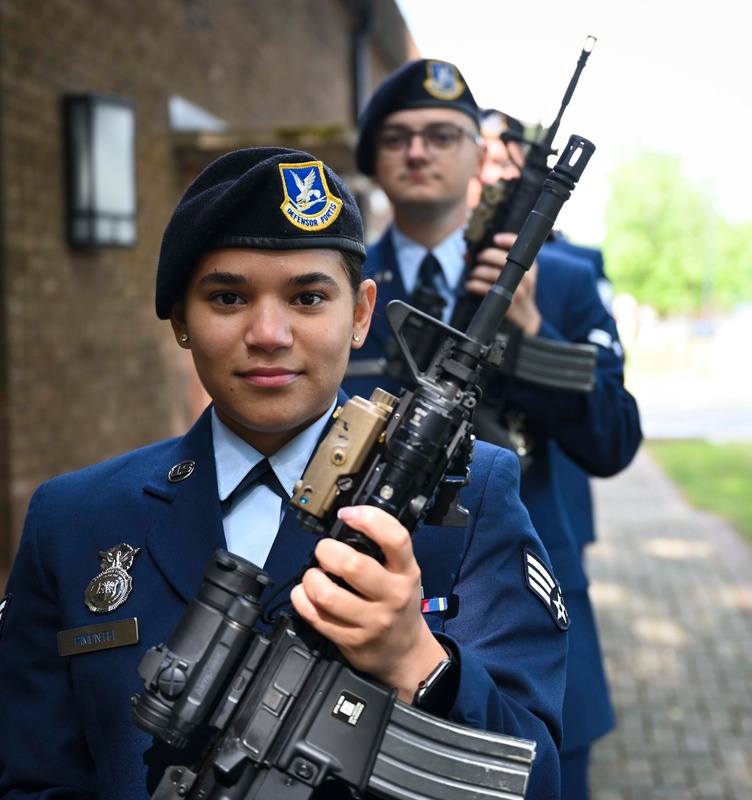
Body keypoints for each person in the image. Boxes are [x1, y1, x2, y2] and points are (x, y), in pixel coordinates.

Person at [0, 147, 568, 799]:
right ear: (181, 319)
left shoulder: (465, 498)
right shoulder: (73, 520)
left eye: (307, 296)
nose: (269, 332)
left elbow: (536, 778)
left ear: (360, 314)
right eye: (228, 296)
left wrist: (418, 662)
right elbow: (32, 781)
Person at [344, 62, 642, 799]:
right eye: (399, 137)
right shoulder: (330, 286)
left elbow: (614, 440)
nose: (419, 151)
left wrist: (531, 331)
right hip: (361, 614)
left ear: (482, 155)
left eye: (443, 135)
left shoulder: (564, 278)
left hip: (526, 622)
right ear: (374, 159)